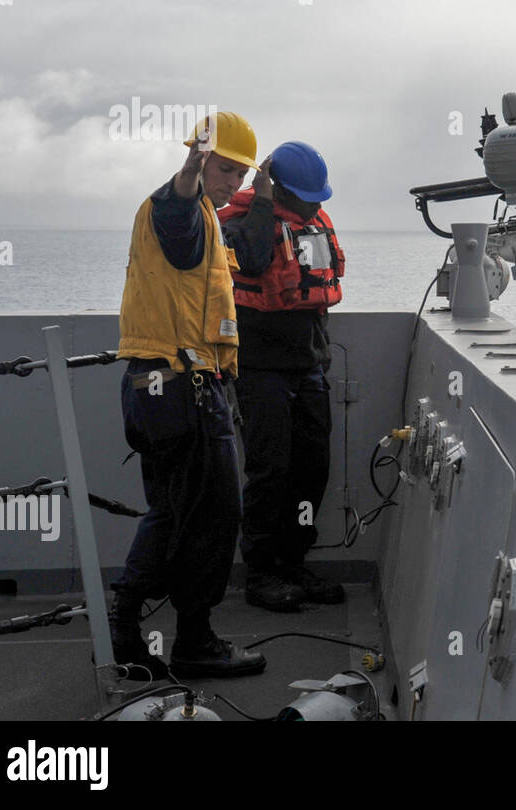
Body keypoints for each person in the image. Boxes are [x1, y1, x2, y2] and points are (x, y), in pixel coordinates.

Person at [110, 111, 267, 679]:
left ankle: (125, 625)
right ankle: (194, 642)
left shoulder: (208, 217)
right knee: (214, 517)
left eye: (241, 173)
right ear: (201, 161)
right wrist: (190, 170)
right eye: (226, 168)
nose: (234, 182)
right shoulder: (177, 207)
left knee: (174, 512)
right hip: (185, 389)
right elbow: (178, 210)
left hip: (164, 387)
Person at [218, 141, 346, 611]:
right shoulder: (239, 224)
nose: (317, 204)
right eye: (308, 196)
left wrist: (320, 354)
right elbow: (249, 261)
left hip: (307, 366)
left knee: (312, 471)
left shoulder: (310, 224)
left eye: (319, 197)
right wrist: (263, 197)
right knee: (269, 471)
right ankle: (261, 573)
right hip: (260, 369)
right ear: (279, 189)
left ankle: (294, 562)